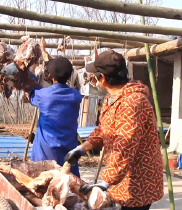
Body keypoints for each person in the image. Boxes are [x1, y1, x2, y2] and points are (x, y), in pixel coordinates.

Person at [64, 50, 164, 210]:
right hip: (121, 177)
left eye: (95, 76)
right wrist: (82, 148)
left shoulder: (133, 103)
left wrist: (105, 183)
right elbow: (104, 128)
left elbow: (124, 147)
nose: (93, 80)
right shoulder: (113, 97)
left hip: (138, 182)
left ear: (102, 78)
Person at [2, 56, 83, 177]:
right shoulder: (76, 96)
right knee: (69, 182)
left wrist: (27, 77)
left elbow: (33, 94)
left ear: (50, 76)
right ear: (70, 76)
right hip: (68, 148)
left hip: (46, 151)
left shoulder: (43, 95)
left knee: (43, 182)